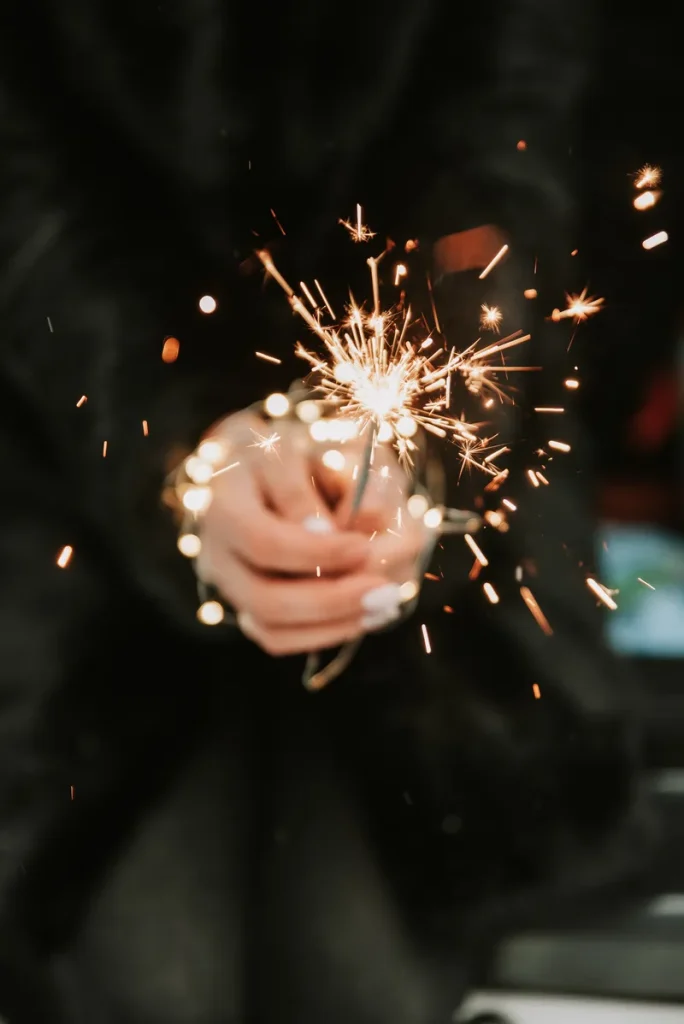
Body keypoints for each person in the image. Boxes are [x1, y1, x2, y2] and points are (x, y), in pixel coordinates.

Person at [0, 1, 648, 1022]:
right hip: (67, 463)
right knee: (156, 976)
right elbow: (30, 197)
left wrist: (419, 448)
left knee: (362, 970)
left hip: (444, 559)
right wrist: (179, 450)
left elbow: (501, 161)